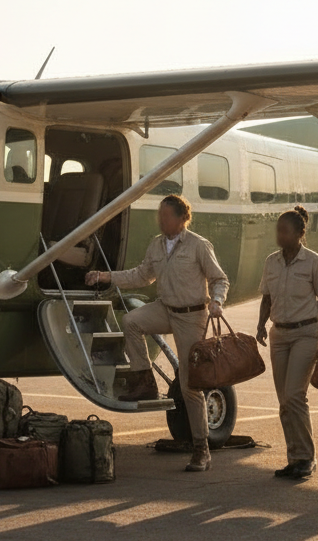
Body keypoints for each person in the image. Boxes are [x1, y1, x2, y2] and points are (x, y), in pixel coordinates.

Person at [85, 194, 229, 472]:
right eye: (159, 215)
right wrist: (106, 276)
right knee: (131, 321)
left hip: (191, 316)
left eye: (165, 216)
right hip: (165, 309)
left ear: (181, 218)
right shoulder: (156, 244)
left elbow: (219, 278)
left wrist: (217, 301)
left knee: (189, 386)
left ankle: (201, 448)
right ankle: (145, 380)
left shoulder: (199, 245)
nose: (160, 220)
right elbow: (141, 276)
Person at [256, 206, 318, 480]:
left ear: (300, 234)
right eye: (278, 230)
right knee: (284, 402)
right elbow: (266, 297)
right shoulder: (271, 262)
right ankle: (294, 458)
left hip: (306, 333)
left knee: (294, 395)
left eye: (285, 231)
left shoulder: (313, 261)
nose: (279, 235)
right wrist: (260, 325)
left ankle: (306, 458)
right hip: (279, 334)